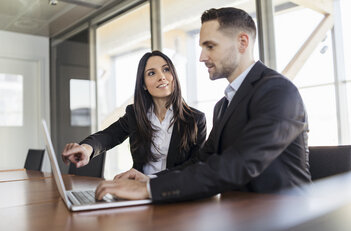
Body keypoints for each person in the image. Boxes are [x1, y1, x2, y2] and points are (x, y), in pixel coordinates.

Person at [95, 7, 311, 202]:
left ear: (242, 42)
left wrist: (150, 189)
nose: (201, 57)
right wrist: (147, 180)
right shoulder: (223, 105)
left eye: (210, 46)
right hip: (238, 217)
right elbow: (201, 161)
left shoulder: (278, 92)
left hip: (283, 221)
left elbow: (239, 164)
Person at [62, 50, 206, 176]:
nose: (162, 77)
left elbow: (195, 166)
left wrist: (151, 180)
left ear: (174, 76)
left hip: (174, 194)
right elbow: (109, 135)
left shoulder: (196, 119)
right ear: (143, 84)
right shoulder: (135, 114)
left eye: (166, 69)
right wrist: (86, 149)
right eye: (151, 73)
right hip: (138, 194)